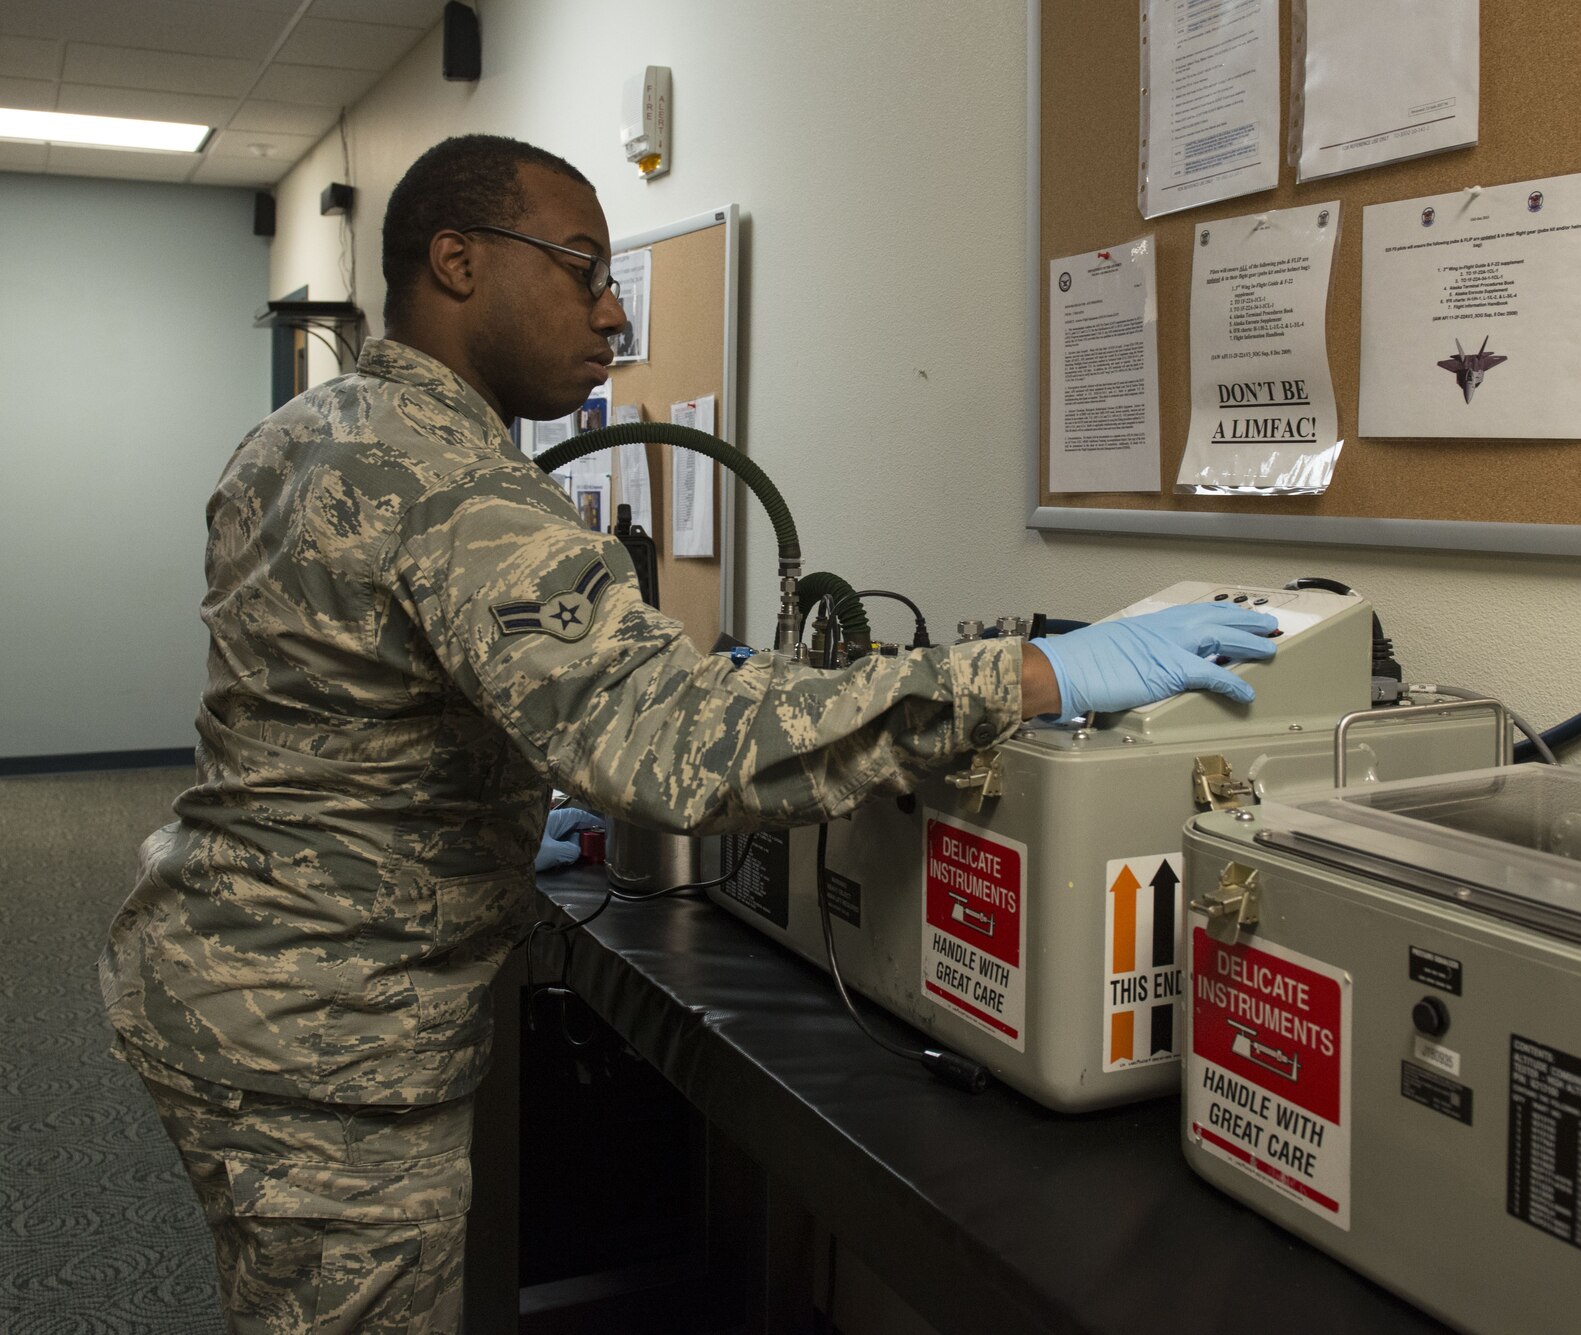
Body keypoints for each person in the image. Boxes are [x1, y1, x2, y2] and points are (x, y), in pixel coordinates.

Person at [99, 134, 1277, 1333]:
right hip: (329, 1041)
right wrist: (1029, 673)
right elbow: (667, 740)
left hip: (227, 967)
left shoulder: (306, 432)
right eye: (581, 267)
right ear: (455, 262)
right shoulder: (454, 482)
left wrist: (495, 806)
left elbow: (339, 702)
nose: (610, 314)